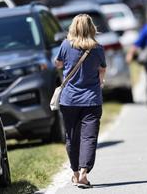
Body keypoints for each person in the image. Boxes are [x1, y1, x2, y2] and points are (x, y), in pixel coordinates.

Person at [55, 14, 106, 188]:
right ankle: (84, 173)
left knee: (71, 137)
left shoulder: (65, 45)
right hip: (91, 100)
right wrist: (100, 80)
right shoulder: (98, 48)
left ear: (73, 28)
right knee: (89, 137)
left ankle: (75, 173)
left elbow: (58, 64)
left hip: (69, 100)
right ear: (91, 28)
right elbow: (102, 69)